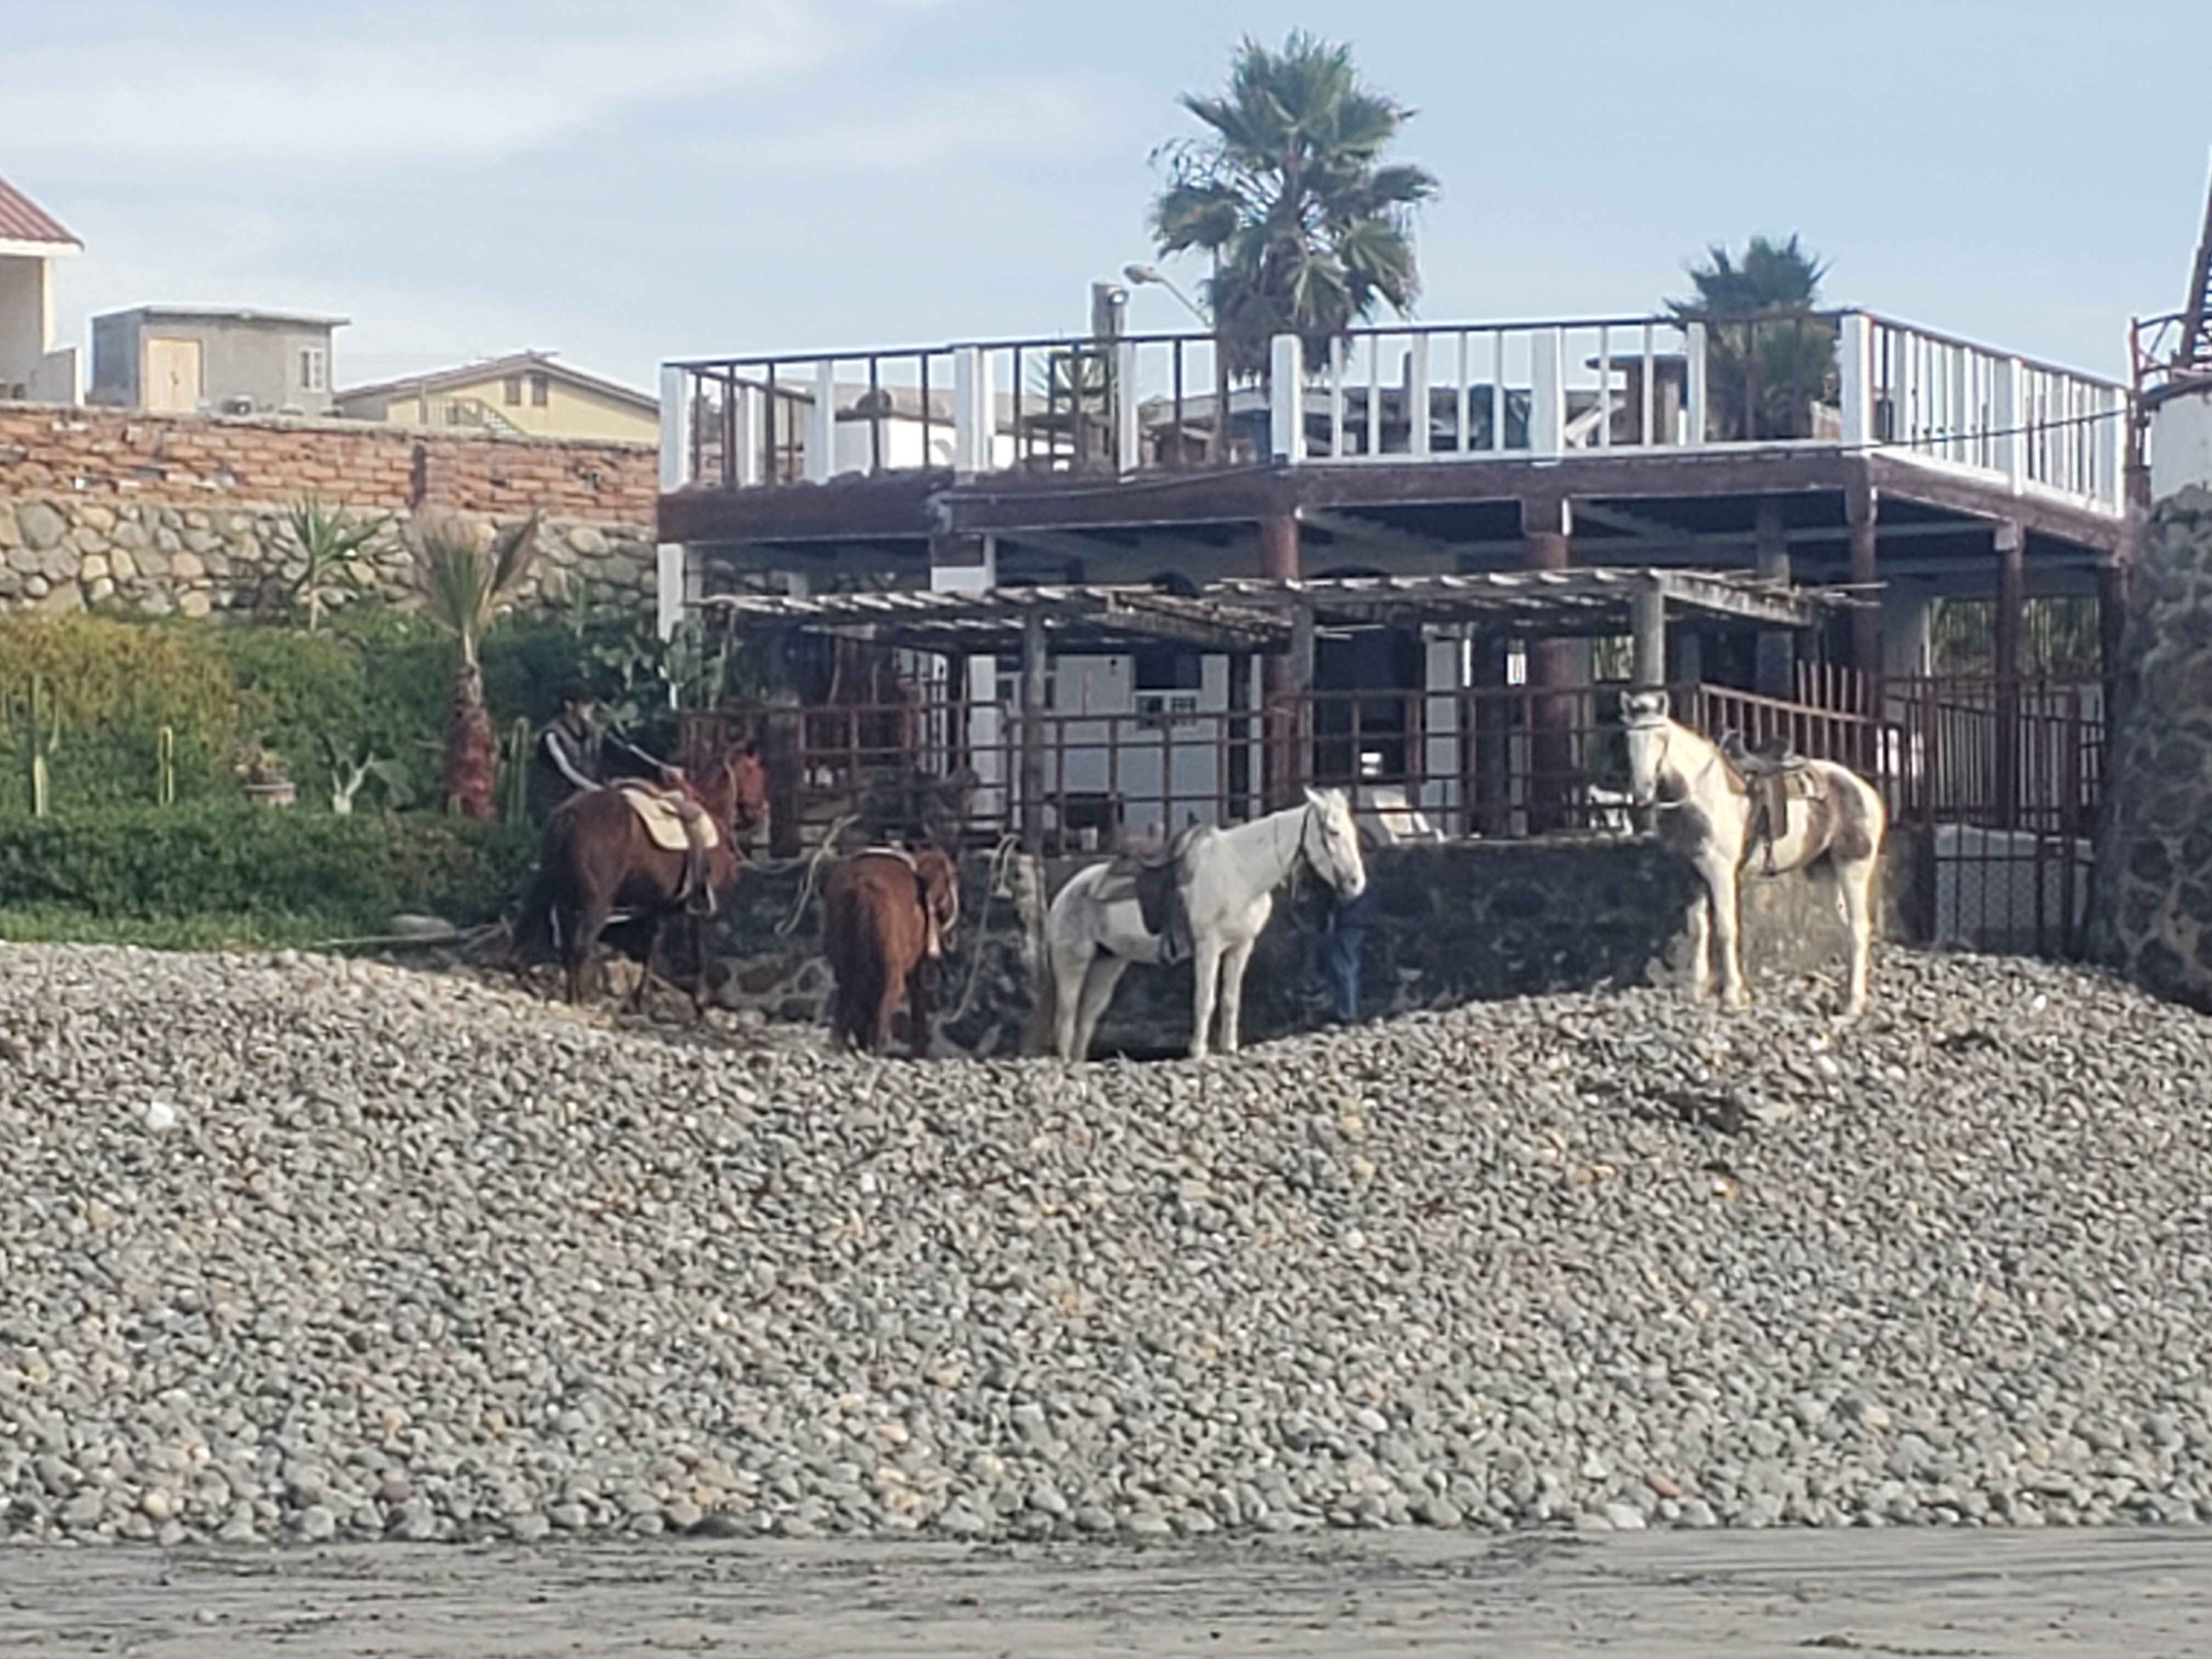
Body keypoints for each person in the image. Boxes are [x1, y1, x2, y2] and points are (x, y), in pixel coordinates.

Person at [528, 683, 607, 827]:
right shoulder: (552, 736)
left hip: (586, 800)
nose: (590, 709)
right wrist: (597, 790)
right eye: (585, 704)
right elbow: (566, 770)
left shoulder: (596, 734)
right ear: (569, 706)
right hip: (556, 804)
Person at [1323, 870, 1381, 1025]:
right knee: (1348, 963)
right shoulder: (1367, 869)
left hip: (1350, 921)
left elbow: (1348, 897)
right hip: (1359, 919)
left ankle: (1346, 1012)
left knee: (1344, 965)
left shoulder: (1351, 872)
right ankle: (1347, 1007)